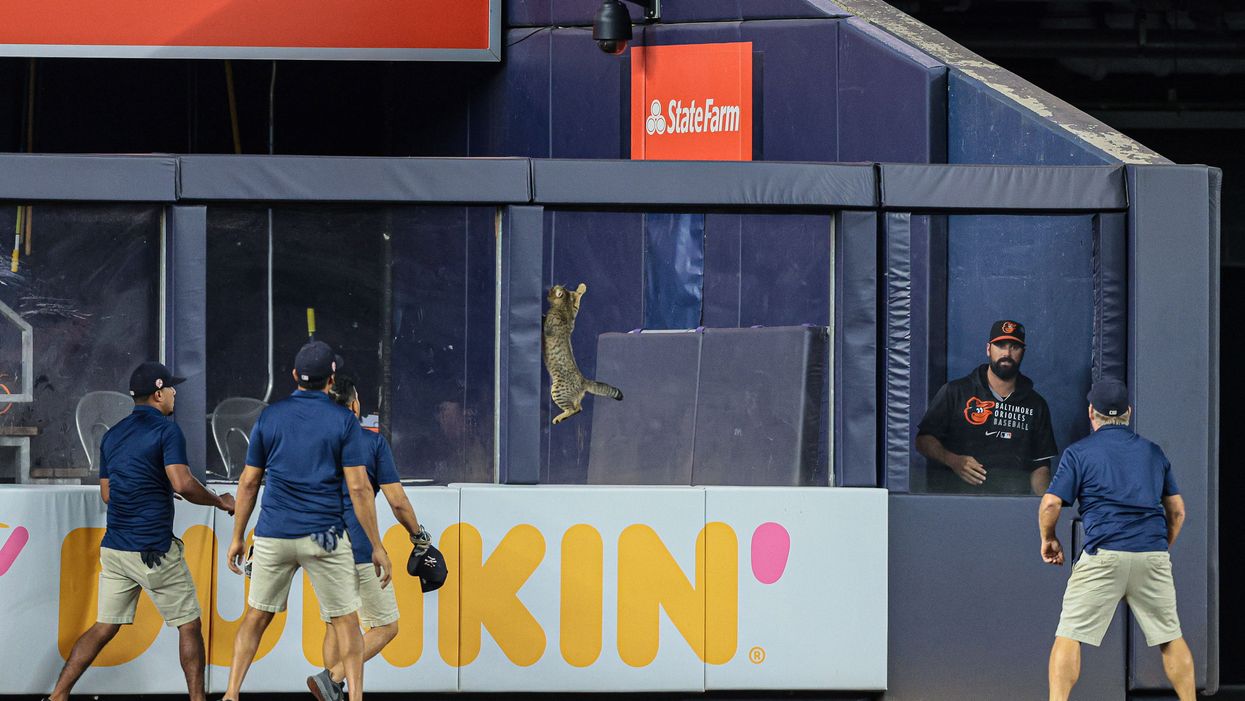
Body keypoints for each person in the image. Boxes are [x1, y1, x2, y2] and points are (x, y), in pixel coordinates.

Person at [45, 362, 235, 701]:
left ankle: (58, 695)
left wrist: (149, 484)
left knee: (104, 627)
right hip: (153, 550)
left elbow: (107, 493)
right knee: (189, 625)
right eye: (172, 388)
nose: (176, 393)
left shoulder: (113, 434)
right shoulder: (167, 430)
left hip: (116, 548)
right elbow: (183, 483)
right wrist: (220, 501)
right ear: (159, 393)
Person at [221, 342, 391, 701]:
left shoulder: (270, 416)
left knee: (255, 617)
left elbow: (249, 482)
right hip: (325, 536)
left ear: (296, 376)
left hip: (274, 533)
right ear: (331, 380)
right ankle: (356, 697)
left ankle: (231, 694)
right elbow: (360, 488)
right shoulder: (343, 420)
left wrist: (238, 536)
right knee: (346, 621)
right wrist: (376, 545)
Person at [1039, 379, 1195, 701]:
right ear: (1128, 412)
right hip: (1151, 555)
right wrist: (1160, 547)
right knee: (1171, 637)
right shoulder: (1153, 452)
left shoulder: (1079, 452)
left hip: (1103, 555)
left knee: (1069, 635)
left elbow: (1051, 503)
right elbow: (1177, 511)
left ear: (1091, 413)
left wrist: (1049, 538)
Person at [307, 370, 431, 701]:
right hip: (359, 549)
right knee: (387, 626)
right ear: (355, 405)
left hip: (320, 547)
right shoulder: (372, 443)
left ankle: (330, 689)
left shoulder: (314, 443)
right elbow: (398, 502)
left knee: (335, 623)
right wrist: (418, 536)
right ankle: (332, 678)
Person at [916, 319, 1058, 494]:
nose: (1007, 353)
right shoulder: (956, 391)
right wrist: (953, 460)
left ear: (1023, 352)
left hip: (1012, 506)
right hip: (957, 502)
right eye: (1000, 345)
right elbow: (923, 441)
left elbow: (1040, 465)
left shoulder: (1036, 404)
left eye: (1014, 347)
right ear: (988, 349)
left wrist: (1044, 507)